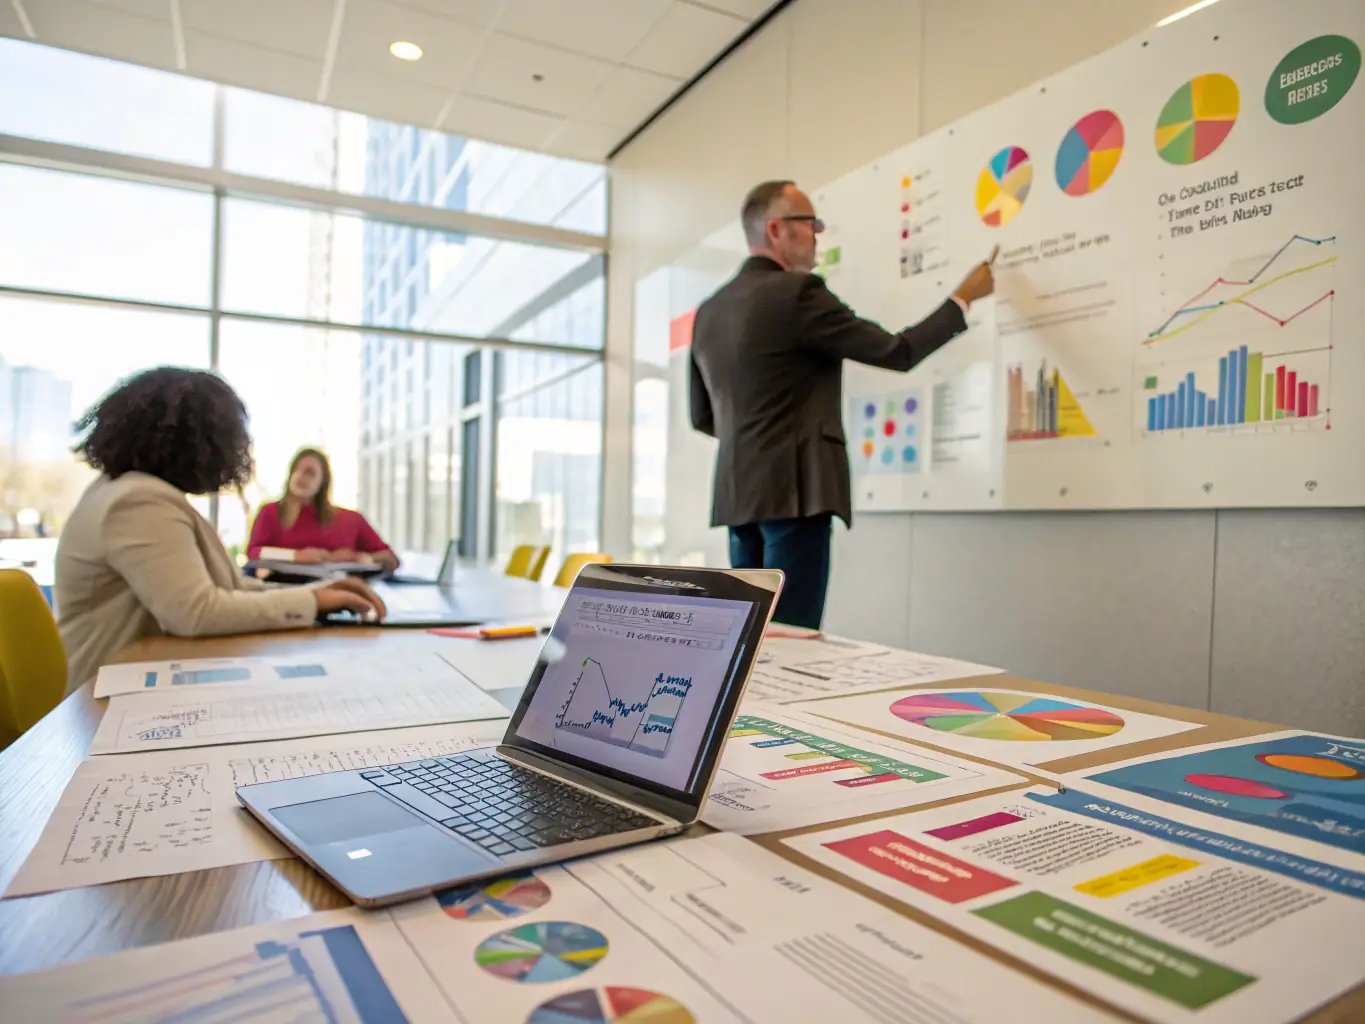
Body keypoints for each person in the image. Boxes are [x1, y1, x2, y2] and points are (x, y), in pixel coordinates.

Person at [689, 179, 997, 629]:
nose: (817, 233)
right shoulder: (798, 294)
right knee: (792, 639)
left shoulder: (710, 310)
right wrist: (962, 299)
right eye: (809, 223)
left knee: (750, 642)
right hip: (796, 495)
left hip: (739, 497)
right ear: (776, 230)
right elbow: (897, 351)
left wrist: (760, 435)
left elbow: (702, 416)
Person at [55, 368, 387, 692]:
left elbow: (229, 588)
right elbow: (198, 612)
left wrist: (318, 594)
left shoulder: (125, 491)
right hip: (101, 700)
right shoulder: (139, 500)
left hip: (130, 680)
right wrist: (313, 601)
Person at [247, 449, 399, 572]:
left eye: (310, 473)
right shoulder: (270, 512)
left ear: (323, 482)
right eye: (297, 470)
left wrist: (360, 558)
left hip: (342, 597)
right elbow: (254, 552)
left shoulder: (351, 519)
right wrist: (297, 556)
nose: (301, 477)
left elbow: (391, 559)